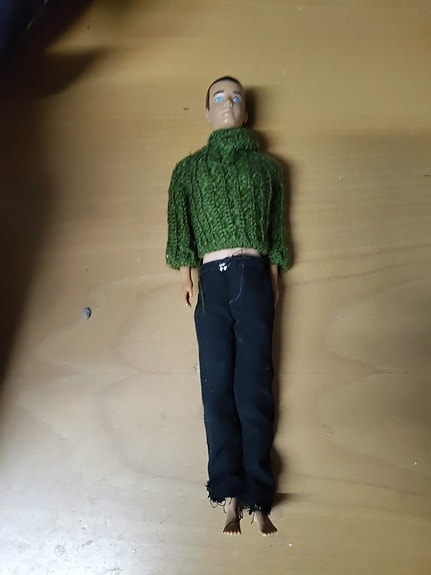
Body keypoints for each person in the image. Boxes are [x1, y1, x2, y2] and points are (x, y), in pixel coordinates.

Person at [165, 76, 289, 535]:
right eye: (219, 97)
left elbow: (277, 227)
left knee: (253, 386)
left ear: (246, 110)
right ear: (207, 112)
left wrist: (274, 273)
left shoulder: (268, 169)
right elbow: (180, 226)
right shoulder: (188, 170)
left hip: (254, 276)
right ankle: (227, 490)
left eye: (237, 97)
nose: (228, 103)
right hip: (211, 282)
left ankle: (259, 493)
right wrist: (185, 273)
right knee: (215, 385)